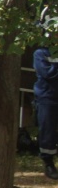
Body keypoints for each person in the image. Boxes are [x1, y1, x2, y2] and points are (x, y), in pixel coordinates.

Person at [33, 44, 58, 179]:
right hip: (47, 97)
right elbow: (48, 73)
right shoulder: (40, 52)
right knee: (47, 130)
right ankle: (48, 163)